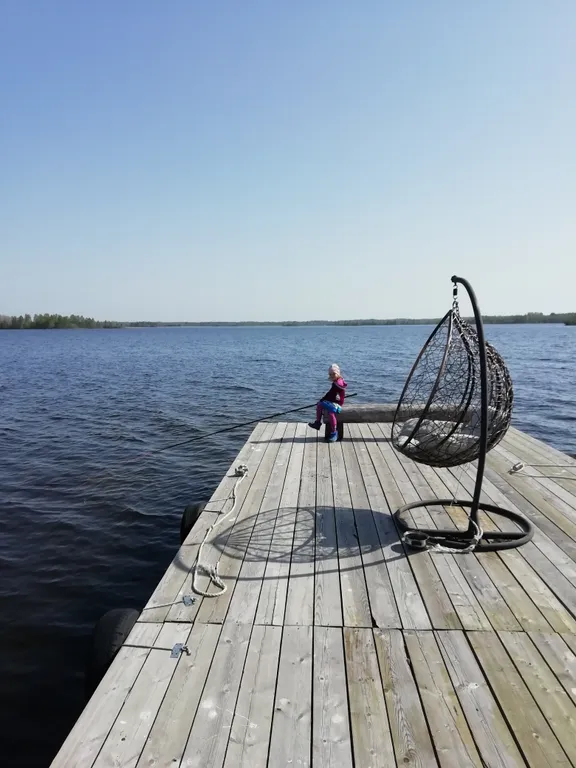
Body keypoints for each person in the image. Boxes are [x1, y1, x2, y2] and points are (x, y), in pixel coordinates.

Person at [308, 364, 347, 442]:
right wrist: (323, 400)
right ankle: (318, 423)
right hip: (334, 401)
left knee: (329, 411)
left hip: (337, 404)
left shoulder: (337, 383)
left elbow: (331, 395)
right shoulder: (338, 381)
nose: (332, 376)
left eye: (334, 374)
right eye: (330, 374)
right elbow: (331, 395)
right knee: (320, 405)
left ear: (338, 373)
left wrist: (323, 400)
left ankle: (334, 432)